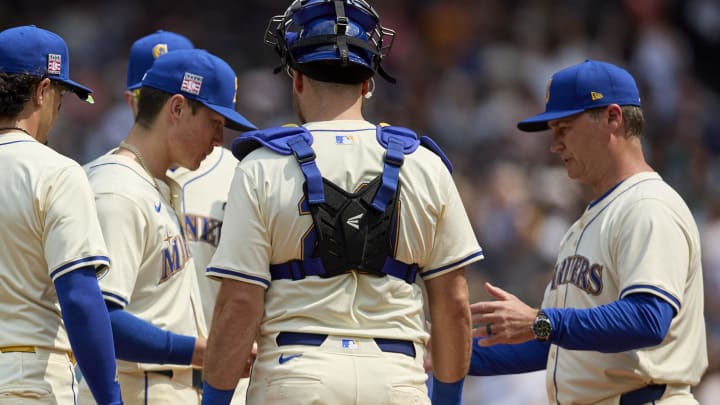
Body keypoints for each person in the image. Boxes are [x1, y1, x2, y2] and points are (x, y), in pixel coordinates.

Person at [201, 1, 483, 404]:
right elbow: (454, 305)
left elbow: (239, 304)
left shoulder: (262, 167)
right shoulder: (425, 165)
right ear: (369, 83)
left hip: (295, 374)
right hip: (397, 378)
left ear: (296, 79)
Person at [468, 60, 707, 404]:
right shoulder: (588, 221)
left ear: (613, 118)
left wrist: (540, 320)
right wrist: (450, 354)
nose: (555, 144)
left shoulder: (647, 204)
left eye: (564, 127)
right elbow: (553, 346)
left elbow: (648, 317)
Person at [77, 48, 255, 405]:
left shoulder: (152, 184)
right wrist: (202, 351)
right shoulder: (117, 190)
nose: (219, 141)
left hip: (170, 384)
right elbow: (98, 319)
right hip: (140, 387)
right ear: (176, 108)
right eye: (214, 123)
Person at [0, 25, 122, 405]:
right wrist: (109, 399)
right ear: (40, 91)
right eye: (60, 97)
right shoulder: (55, 171)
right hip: (26, 379)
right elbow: (81, 298)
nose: (58, 109)